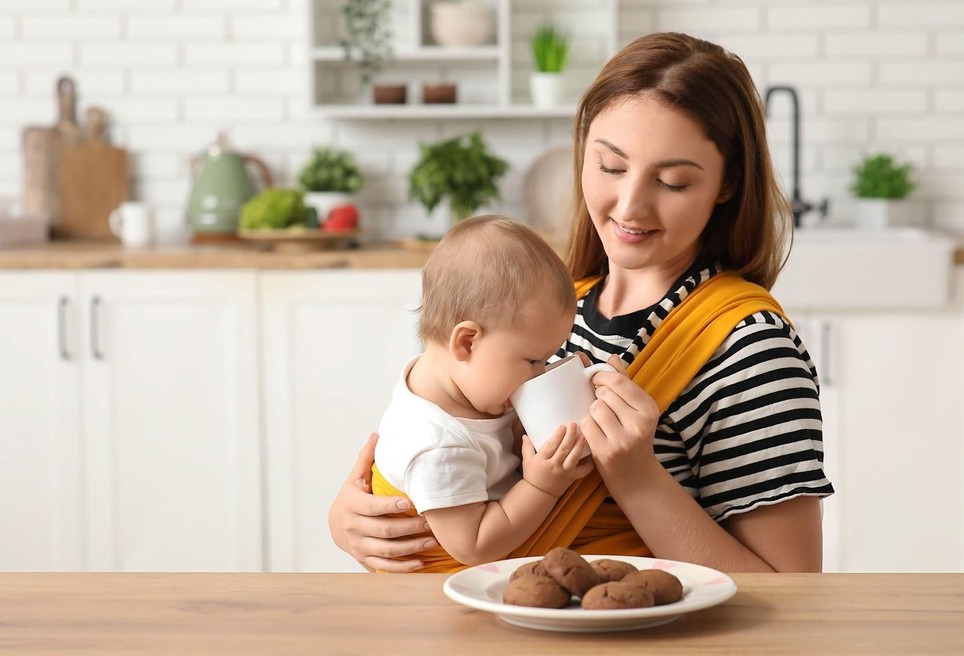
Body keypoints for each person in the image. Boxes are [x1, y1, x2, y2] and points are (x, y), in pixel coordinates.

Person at [328, 32, 834, 574]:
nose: (631, 205)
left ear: (727, 183)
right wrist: (354, 518)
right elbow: (450, 451)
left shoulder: (750, 348)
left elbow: (790, 592)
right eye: (611, 167)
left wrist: (636, 475)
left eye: (672, 181)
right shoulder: (551, 307)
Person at [372, 214, 593, 571]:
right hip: (440, 594)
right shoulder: (436, 444)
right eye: (534, 360)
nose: (538, 374)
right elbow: (474, 546)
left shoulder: (461, 382)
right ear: (467, 342)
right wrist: (543, 486)